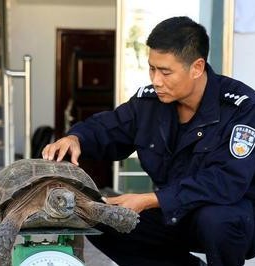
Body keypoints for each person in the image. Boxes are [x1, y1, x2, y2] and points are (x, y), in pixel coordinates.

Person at [42, 16, 255, 266]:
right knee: (102, 220)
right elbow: (110, 127)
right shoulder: (149, 103)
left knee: (216, 219)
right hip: (174, 215)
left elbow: (226, 182)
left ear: (196, 68)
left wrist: (150, 200)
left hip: (231, 217)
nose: (156, 80)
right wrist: (76, 137)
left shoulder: (241, 107)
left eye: (165, 71)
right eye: (152, 68)